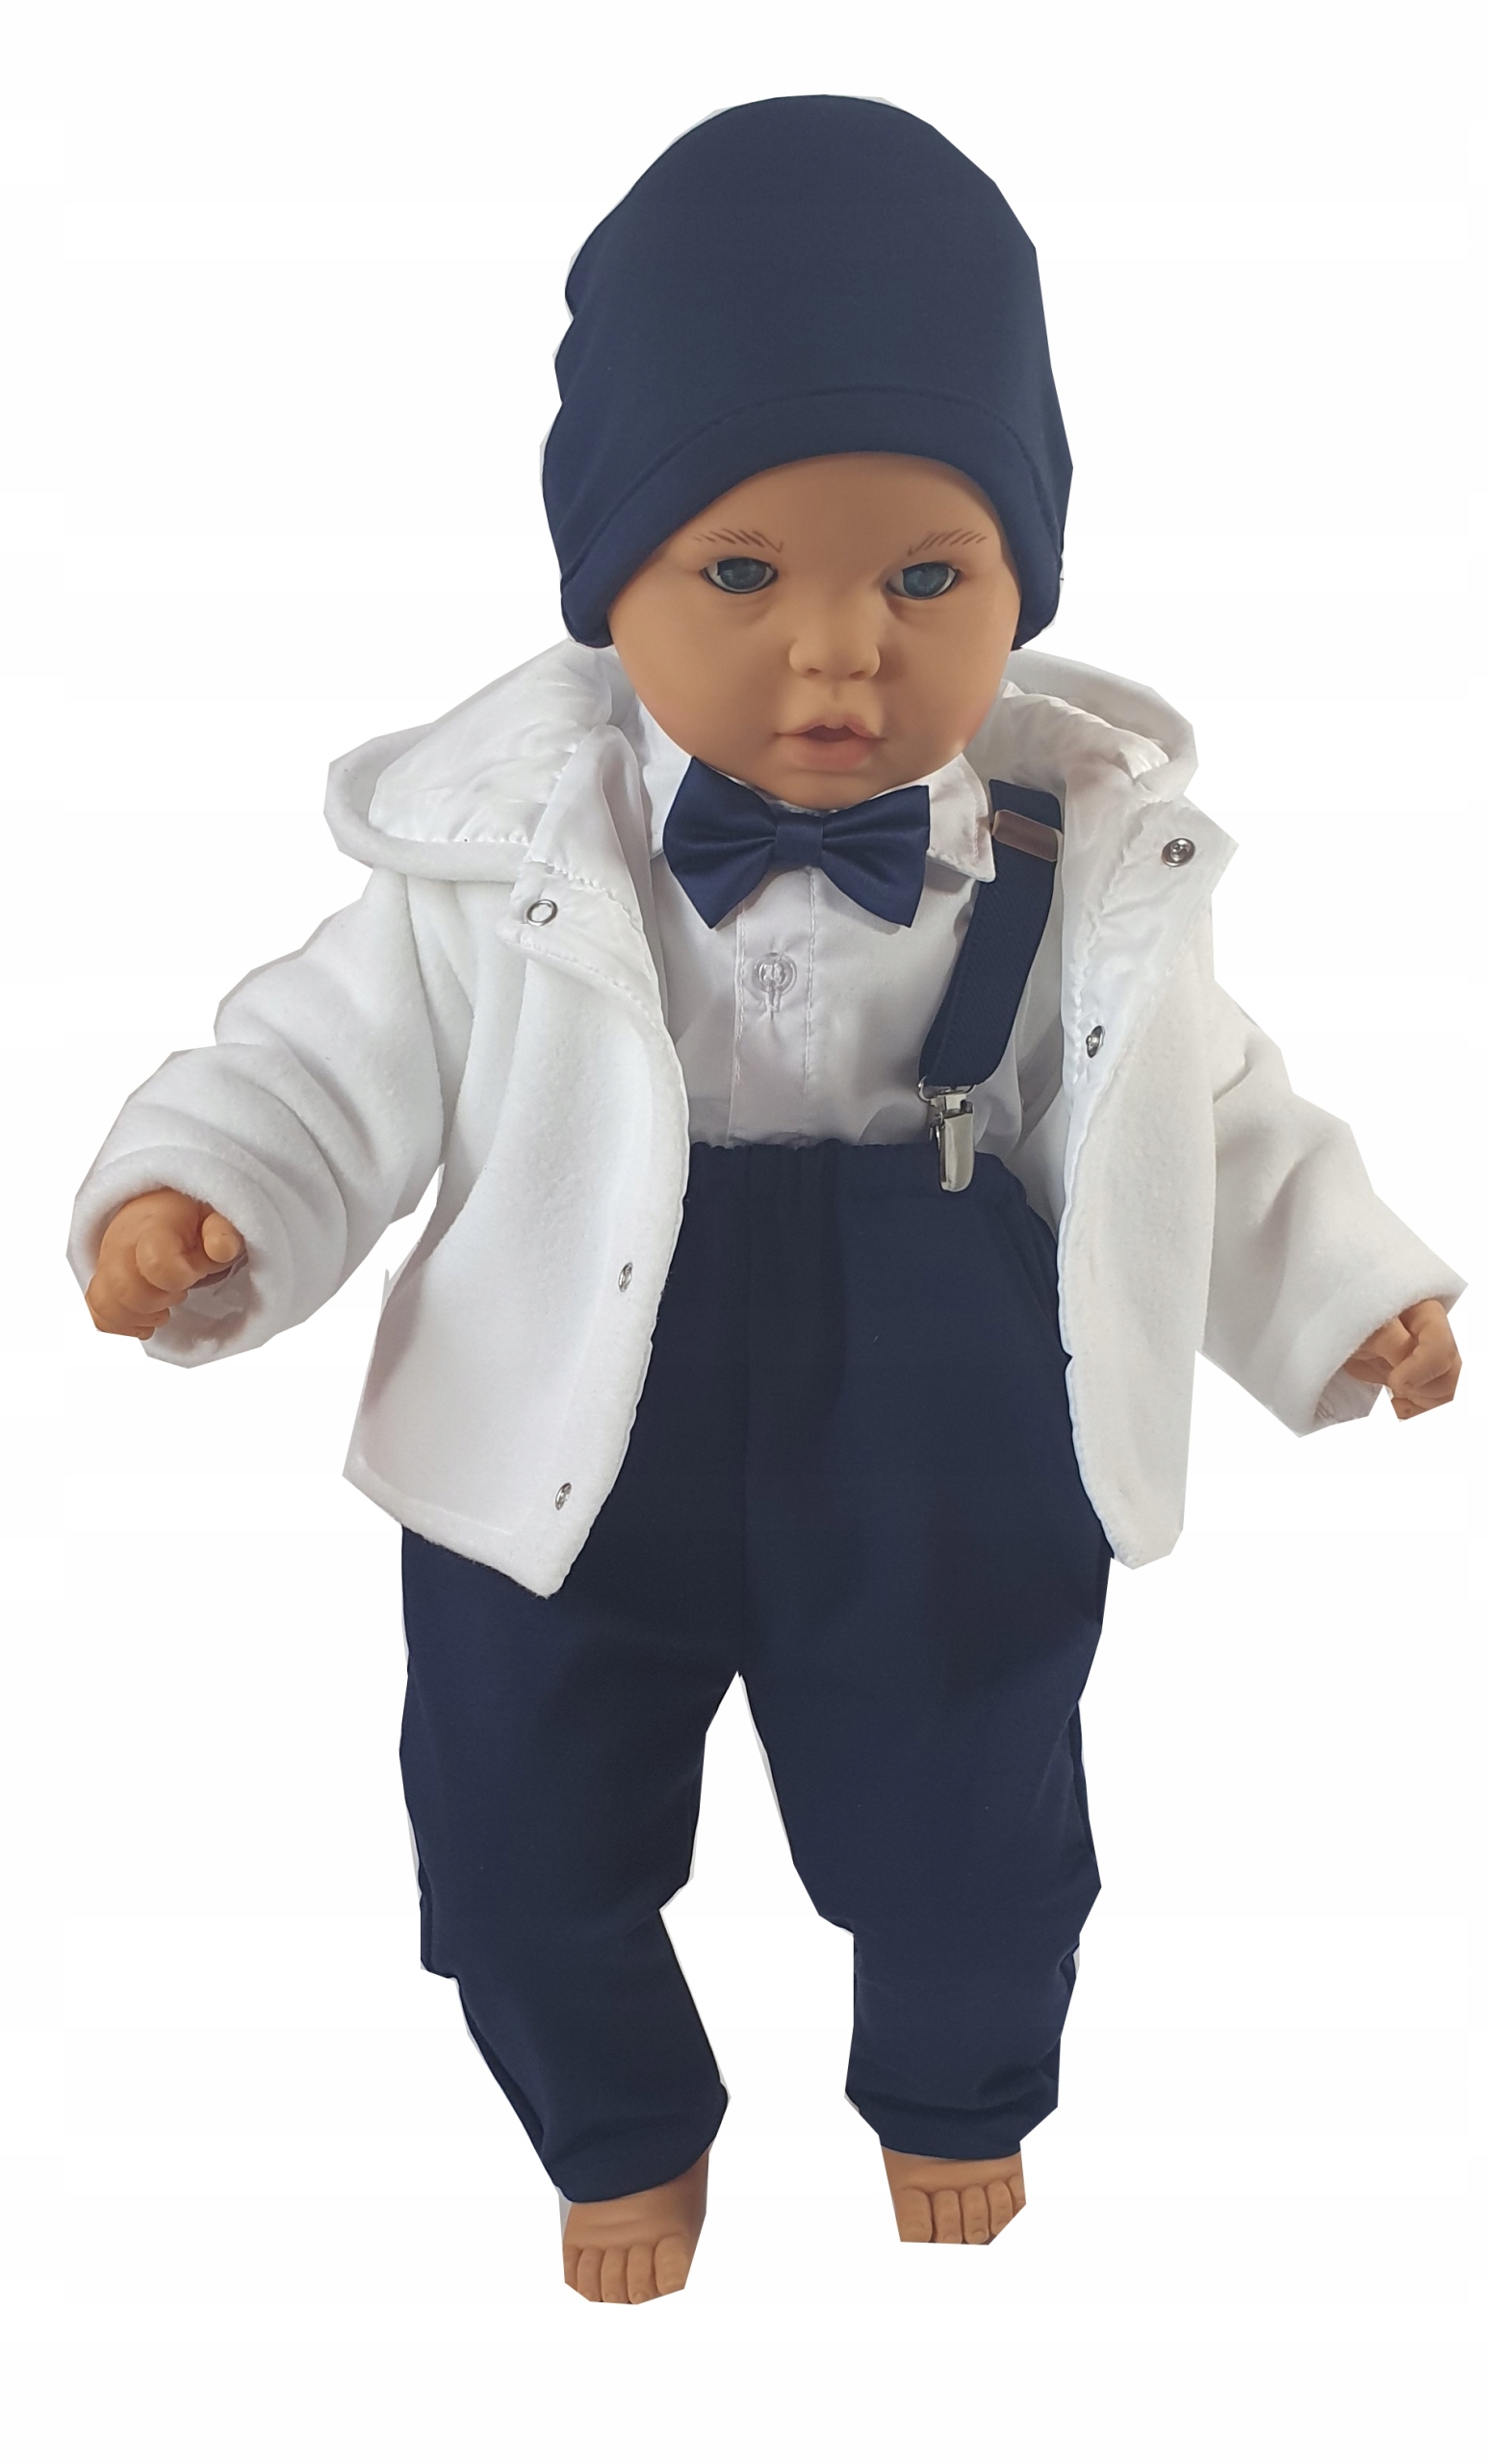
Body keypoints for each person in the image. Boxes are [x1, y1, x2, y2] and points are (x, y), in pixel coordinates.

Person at [70, 97, 1463, 2304]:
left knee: (974, 1803)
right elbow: (323, 1055)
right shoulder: (497, 851)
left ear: (1024, 579)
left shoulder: (1069, 851)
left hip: (939, 1399)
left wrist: (1338, 1283)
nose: (839, 654)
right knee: (514, 1828)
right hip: (566, 1380)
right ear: (608, 573)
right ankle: (618, 2121)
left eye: (928, 577)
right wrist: (207, 1183)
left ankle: (958, 2085)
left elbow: (1196, 1108)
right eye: (742, 574)